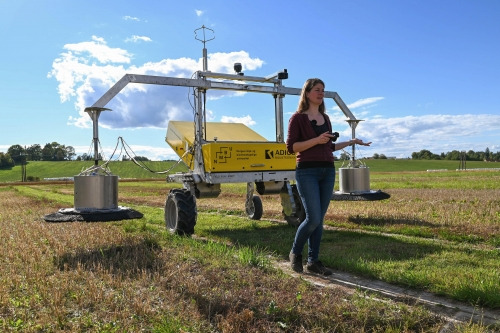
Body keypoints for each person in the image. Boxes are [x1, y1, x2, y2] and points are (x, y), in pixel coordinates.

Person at [286, 78, 371, 275]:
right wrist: (316, 140)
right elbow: (292, 148)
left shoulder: (326, 118)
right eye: (317, 90)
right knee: (313, 217)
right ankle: (295, 253)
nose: (321, 93)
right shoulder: (297, 118)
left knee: (319, 220)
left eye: (323, 90)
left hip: (327, 170)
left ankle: (313, 261)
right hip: (307, 171)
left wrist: (351, 142)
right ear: (307, 93)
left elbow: (329, 146)